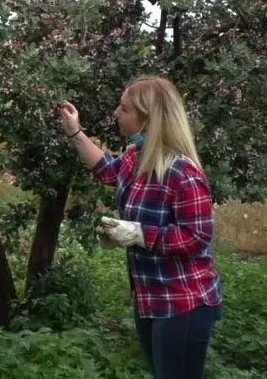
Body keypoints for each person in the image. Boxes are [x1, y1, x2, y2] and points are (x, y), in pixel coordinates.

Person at [57, 75, 222, 379]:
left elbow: (198, 237)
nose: (116, 114)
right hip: (150, 295)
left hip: (183, 301)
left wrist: (138, 234)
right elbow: (108, 170)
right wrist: (75, 132)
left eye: (125, 109)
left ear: (149, 120)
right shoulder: (137, 156)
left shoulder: (182, 172)